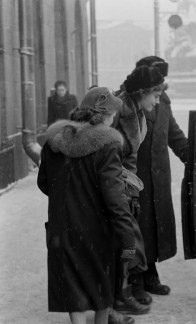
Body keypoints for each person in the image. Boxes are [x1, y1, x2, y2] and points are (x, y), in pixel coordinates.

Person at [37, 87, 136, 324]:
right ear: (103, 114)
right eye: (113, 113)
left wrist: (68, 197)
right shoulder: (107, 144)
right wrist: (127, 239)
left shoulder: (55, 142)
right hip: (97, 232)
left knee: (74, 291)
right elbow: (115, 198)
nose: (114, 119)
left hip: (62, 230)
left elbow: (44, 183)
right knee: (100, 289)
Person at [111, 65, 167, 314]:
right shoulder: (116, 111)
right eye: (155, 95)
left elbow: (129, 157)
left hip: (124, 187)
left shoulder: (139, 113)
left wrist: (131, 190)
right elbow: (104, 154)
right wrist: (120, 188)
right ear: (142, 92)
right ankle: (117, 298)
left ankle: (124, 294)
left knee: (129, 243)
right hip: (109, 187)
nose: (158, 101)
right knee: (120, 244)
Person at [131, 56, 188, 299]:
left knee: (153, 226)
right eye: (157, 78)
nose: (161, 83)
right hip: (137, 176)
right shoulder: (130, 103)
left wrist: (194, 159)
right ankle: (134, 282)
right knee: (136, 228)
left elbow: (174, 135)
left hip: (160, 177)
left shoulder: (163, 101)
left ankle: (150, 275)